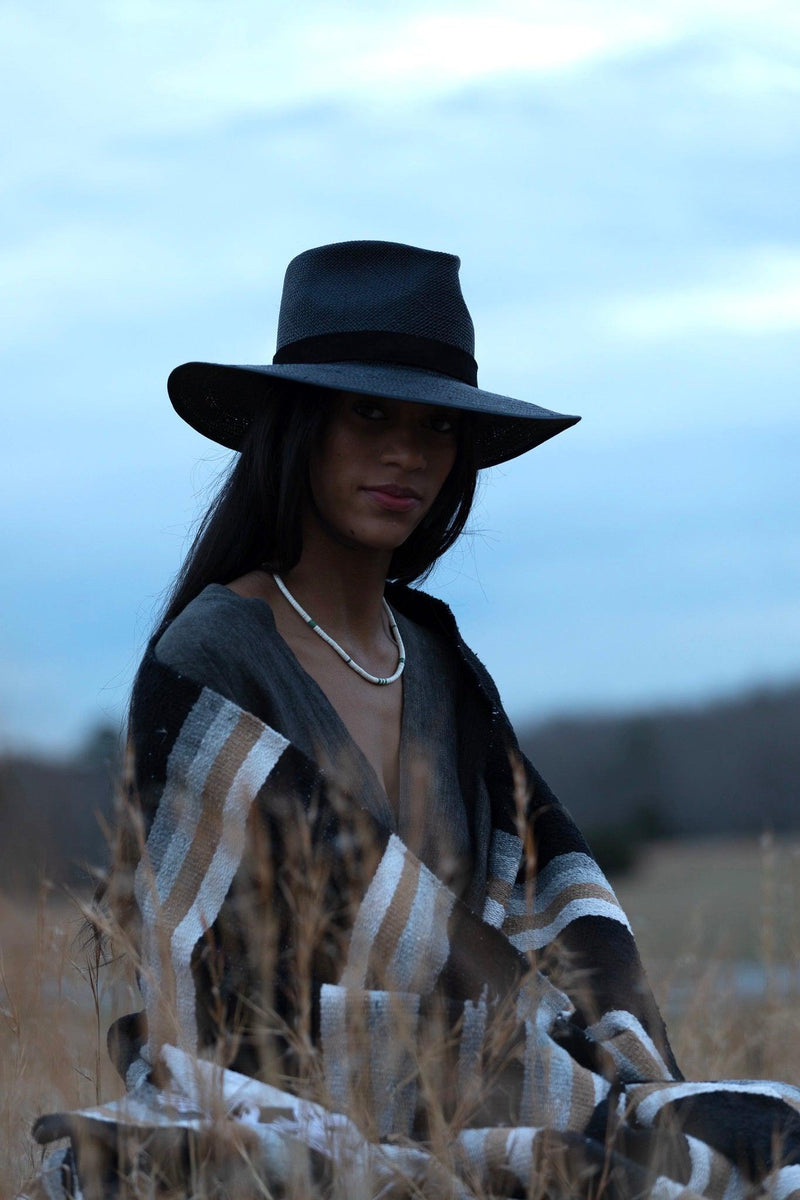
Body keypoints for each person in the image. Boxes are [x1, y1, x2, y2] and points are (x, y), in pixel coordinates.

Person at [30, 242, 800, 1199]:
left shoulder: (437, 655)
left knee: (768, 1147)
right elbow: (222, 974)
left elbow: (538, 893)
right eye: (369, 413)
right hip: (279, 1114)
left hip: (485, 1099)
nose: (408, 453)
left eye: (438, 425)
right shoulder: (214, 657)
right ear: (298, 425)